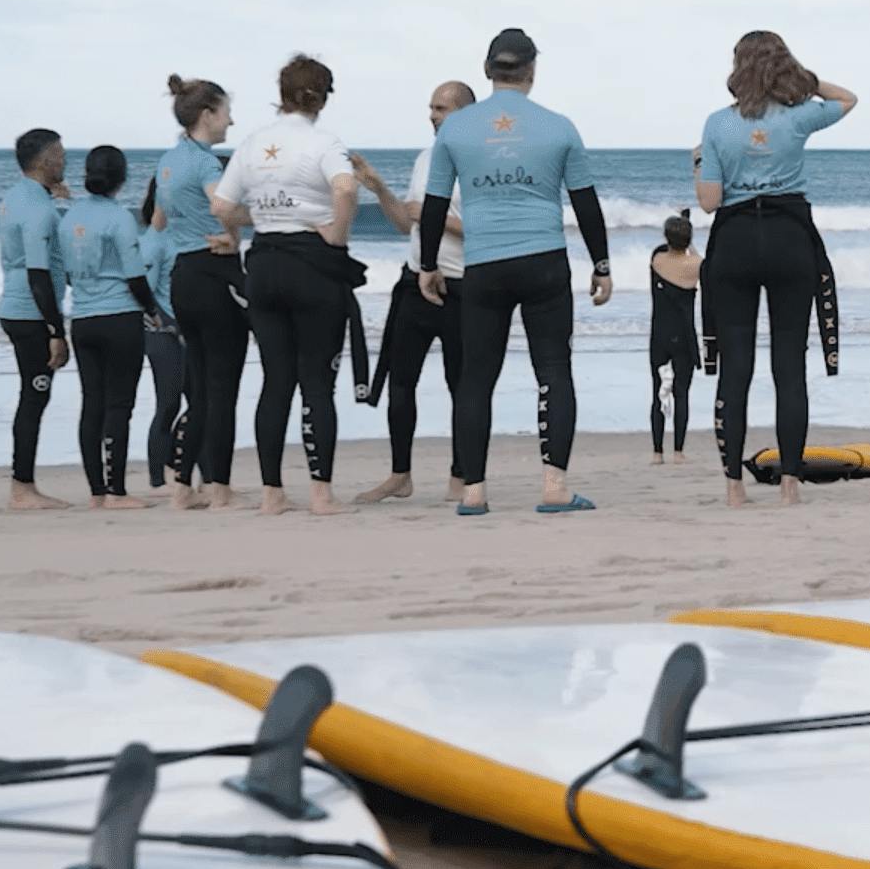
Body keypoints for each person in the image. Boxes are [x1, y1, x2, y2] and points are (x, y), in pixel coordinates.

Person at [418, 28, 612, 516]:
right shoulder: (559, 126)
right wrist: (602, 263)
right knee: (553, 370)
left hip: (483, 266)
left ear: (488, 70)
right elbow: (585, 202)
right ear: (531, 71)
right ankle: (554, 487)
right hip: (544, 261)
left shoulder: (456, 130)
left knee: (476, 379)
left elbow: (434, 206)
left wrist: (426, 265)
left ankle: (474, 493)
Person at [696, 32, 856, 508]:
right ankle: (789, 484)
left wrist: (699, 165)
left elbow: (708, 203)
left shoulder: (717, 124)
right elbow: (848, 98)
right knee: (789, 367)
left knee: (736, 368)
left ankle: (733, 487)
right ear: (781, 67)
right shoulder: (800, 115)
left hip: (736, 242)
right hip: (790, 239)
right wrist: (802, 78)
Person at [212, 54, 368, 516]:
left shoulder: (253, 143)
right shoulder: (324, 142)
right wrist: (335, 234)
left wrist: (261, 216)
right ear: (322, 96)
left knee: (275, 380)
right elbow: (345, 189)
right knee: (316, 382)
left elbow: (222, 206)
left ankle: (271, 493)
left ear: (281, 95)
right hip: (311, 267)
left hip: (264, 265)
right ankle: (320, 492)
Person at [353, 82, 477, 506]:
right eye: (430, 107)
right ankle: (399, 475)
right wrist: (380, 190)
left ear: (464, 113)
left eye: (440, 108)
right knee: (400, 382)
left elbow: (488, 231)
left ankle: (462, 476)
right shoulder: (426, 158)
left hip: (461, 286)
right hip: (414, 282)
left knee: (461, 386)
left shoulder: (479, 162)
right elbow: (407, 224)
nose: (431, 114)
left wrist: (435, 216)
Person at [60, 146, 166, 509]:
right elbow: (136, 277)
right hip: (120, 320)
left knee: (92, 404)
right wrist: (153, 310)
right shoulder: (120, 218)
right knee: (119, 405)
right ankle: (117, 491)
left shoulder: (68, 217)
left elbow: (68, 276)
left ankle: (96, 492)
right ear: (122, 178)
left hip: (84, 321)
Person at [155, 75, 243, 510]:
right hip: (214, 278)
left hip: (182, 278)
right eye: (226, 111)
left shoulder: (168, 161)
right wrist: (243, 227)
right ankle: (220, 488)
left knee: (200, 387)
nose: (231, 120)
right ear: (207, 115)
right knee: (222, 387)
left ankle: (181, 485)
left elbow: (164, 221)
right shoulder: (207, 163)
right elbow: (221, 206)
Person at [0, 128, 72, 510]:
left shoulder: (18, 196)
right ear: (44, 160)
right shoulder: (38, 209)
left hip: (16, 308)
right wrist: (56, 330)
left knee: (33, 395)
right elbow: (38, 274)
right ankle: (22, 487)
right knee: (34, 396)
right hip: (30, 314)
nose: (65, 159)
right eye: (60, 153)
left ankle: (23, 484)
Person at [137, 179, 184, 495]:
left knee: (200, 404)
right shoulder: (154, 240)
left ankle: (198, 474)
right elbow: (143, 294)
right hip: (162, 333)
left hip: (189, 331)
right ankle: (157, 479)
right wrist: (168, 325)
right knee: (168, 404)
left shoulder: (183, 236)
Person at [649, 213, 702, 465]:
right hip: (684, 337)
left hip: (658, 336)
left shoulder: (656, 260)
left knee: (657, 394)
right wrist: (688, 240)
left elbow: (662, 247)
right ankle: (678, 452)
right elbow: (699, 258)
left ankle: (657, 453)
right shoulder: (695, 266)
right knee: (681, 393)